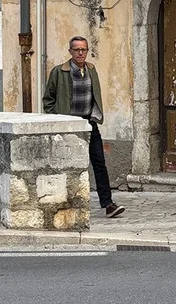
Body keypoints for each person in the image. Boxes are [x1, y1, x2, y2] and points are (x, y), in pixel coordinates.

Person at [44, 36, 125, 218]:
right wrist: (56, 117)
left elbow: (95, 94)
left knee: (99, 163)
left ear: (87, 51)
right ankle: (66, 205)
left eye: (83, 49)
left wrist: (96, 115)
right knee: (68, 165)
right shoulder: (59, 72)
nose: (80, 53)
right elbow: (48, 99)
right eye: (77, 49)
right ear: (70, 51)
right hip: (69, 125)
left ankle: (108, 204)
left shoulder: (91, 70)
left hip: (89, 122)